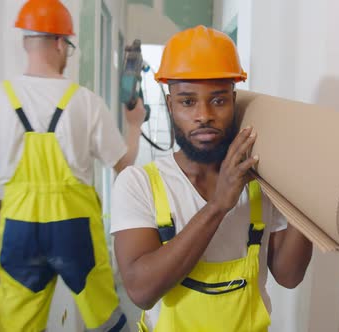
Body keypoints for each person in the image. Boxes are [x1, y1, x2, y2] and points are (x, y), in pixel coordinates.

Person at [0, 0, 145, 330]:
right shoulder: (85, 102)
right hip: (74, 229)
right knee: (105, 318)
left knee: (18, 323)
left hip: (20, 231)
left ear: (26, 42)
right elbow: (125, 165)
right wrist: (134, 125)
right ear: (61, 42)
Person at [111, 25, 313, 331]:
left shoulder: (261, 181)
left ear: (234, 102)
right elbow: (141, 291)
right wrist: (219, 204)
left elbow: (288, 275)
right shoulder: (138, 184)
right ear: (170, 105)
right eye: (188, 102)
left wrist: (306, 191)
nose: (204, 114)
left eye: (218, 100)